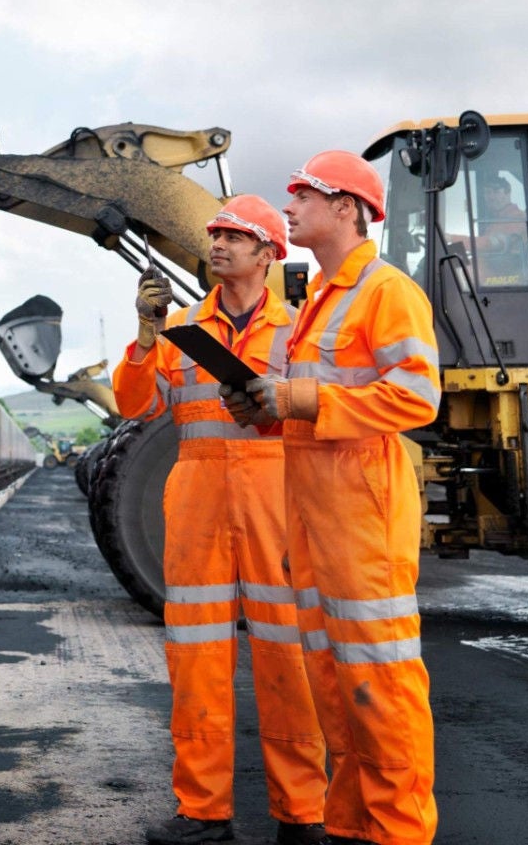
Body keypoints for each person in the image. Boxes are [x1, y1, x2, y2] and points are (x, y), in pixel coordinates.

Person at [224, 151, 441, 845]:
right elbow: (305, 399)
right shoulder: (318, 300)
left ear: (345, 207)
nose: (288, 210)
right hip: (318, 518)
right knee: (338, 687)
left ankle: (399, 833)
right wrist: (264, 406)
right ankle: (351, 828)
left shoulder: (386, 291)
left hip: (363, 519)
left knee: (382, 687)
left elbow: (418, 395)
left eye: (303, 197)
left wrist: (300, 397)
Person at [113, 195, 326, 845]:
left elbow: (327, 410)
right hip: (200, 500)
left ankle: (303, 814)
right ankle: (203, 812)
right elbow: (136, 403)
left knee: (288, 659)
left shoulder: (301, 330)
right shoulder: (183, 328)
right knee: (196, 658)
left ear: (269, 253)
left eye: (234, 235)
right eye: (214, 235)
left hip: (277, 498)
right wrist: (146, 337)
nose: (219, 244)